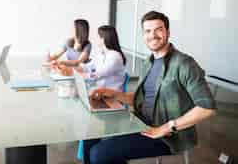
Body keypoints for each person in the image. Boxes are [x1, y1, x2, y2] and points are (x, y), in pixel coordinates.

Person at [83, 11, 216, 164]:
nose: (153, 35)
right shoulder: (148, 62)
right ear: (144, 35)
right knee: (89, 138)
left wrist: (167, 127)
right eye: (148, 31)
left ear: (168, 32)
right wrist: (110, 93)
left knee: (99, 155)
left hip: (167, 137)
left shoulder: (185, 64)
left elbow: (207, 108)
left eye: (158, 29)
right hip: (140, 122)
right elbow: (140, 99)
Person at [57, 25, 127, 91]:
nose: (96, 39)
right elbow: (86, 67)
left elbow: (97, 75)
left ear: (103, 39)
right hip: (100, 92)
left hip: (111, 96)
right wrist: (68, 68)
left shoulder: (115, 57)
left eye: (98, 37)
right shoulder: (101, 55)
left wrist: (74, 73)